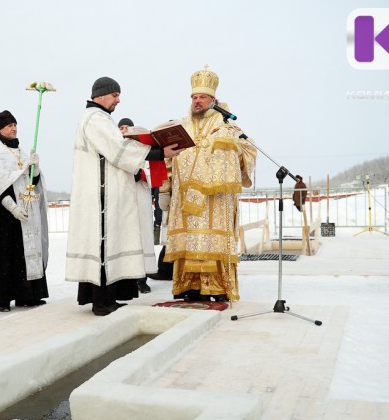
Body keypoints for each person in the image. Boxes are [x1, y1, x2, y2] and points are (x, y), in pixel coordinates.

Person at [66, 77, 185, 316]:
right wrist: (158, 152)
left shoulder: (101, 119)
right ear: (100, 95)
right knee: (103, 247)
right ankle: (101, 302)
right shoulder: (94, 119)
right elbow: (117, 149)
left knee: (110, 246)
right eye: (115, 95)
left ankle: (108, 297)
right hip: (100, 200)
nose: (118, 101)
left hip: (108, 197)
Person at [160, 66, 256, 303]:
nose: (197, 101)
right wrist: (165, 189)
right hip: (185, 200)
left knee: (212, 241)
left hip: (215, 201)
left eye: (202, 97)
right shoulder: (181, 125)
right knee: (188, 240)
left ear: (213, 100)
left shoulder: (226, 125)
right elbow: (169, 159)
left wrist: (224, 147)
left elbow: (248, 149)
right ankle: (188, 288)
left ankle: (216, 288)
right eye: (194, 97)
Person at [0, 110, 49, 312]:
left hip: (27, 211)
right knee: (7, 255)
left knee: (26, 253)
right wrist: (13, 208)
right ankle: (5, 299)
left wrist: (34, 169)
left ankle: (28, 295)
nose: (14, 128)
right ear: (0, 128)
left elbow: (32, 181)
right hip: (7, 215)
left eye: (15, 124)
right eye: (10, 125)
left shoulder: (20, 152)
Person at [117, 117, 153, 294]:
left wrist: (141, 174)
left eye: (127, 128)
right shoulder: (115, 149)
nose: (124, 131)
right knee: (125, 237)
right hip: (123, 201)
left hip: (140, 197)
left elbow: (152, 171)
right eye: (121, 128)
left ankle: (142, 278)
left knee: (141, 237)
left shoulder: (142, 149)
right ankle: (125, 278)